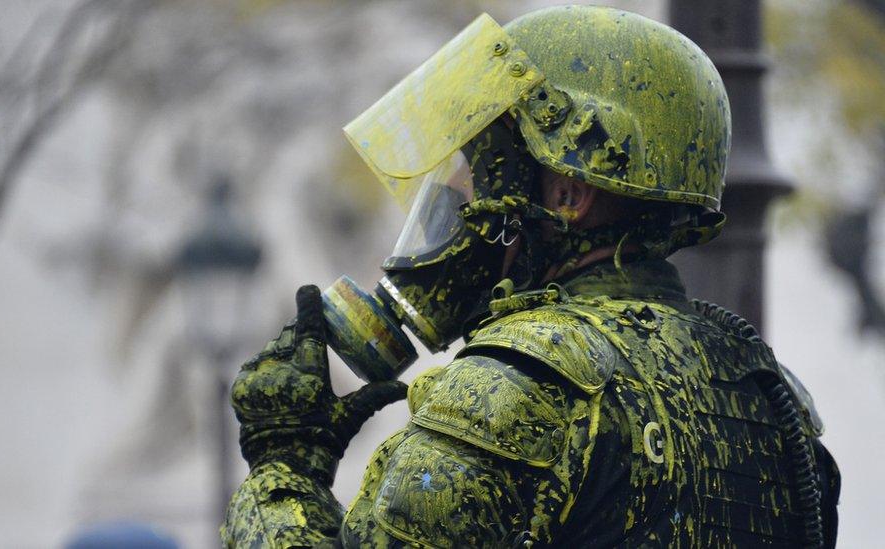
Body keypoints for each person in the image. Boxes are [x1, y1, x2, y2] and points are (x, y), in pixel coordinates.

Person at [220, 6, 840, 548]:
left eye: (480, 179)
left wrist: (283, 461)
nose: (455, 207)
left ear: (567, 193)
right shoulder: (772, 394)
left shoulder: (511, 388)